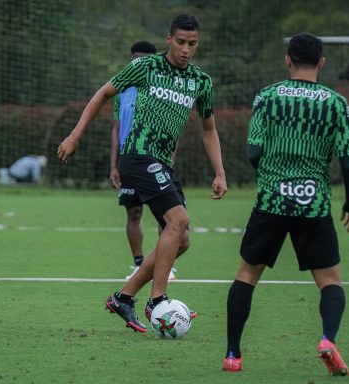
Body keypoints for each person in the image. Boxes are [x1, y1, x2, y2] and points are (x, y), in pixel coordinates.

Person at [58, 14, 228, 333]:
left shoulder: (200, 82)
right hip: (137, 155)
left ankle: (124, 296)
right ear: (168, 39)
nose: (186, 50)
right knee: (178, 221)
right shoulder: (147, 66)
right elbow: (103, 93)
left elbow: (209, 129)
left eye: (192, 44)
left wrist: (220, 172)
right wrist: (75, 134)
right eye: (180, 42)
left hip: (162, 162)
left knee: (181, 240)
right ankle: (157, 300)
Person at [221, 33, 349, 375]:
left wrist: (273, 175)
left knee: (246, 276)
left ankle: (232, 355)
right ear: (322, 63)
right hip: (312, 204)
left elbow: (253, 152)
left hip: (271, 200)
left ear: (287, 60)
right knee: (330, 281)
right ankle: (327, 339)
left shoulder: (267, 98)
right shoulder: (335, 103)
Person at [109, 41, 177, 281]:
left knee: (166, 215)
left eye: (142, 58)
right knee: (133, 213)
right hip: (129, 161)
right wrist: (113, 166)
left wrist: (170, 161)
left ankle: (165, 264)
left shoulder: (161, 91)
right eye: (134, 57)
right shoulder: (121, 90)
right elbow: (116, 131)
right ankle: (139, 264)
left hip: (156, 160)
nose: (137, 62)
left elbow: (172, 129)